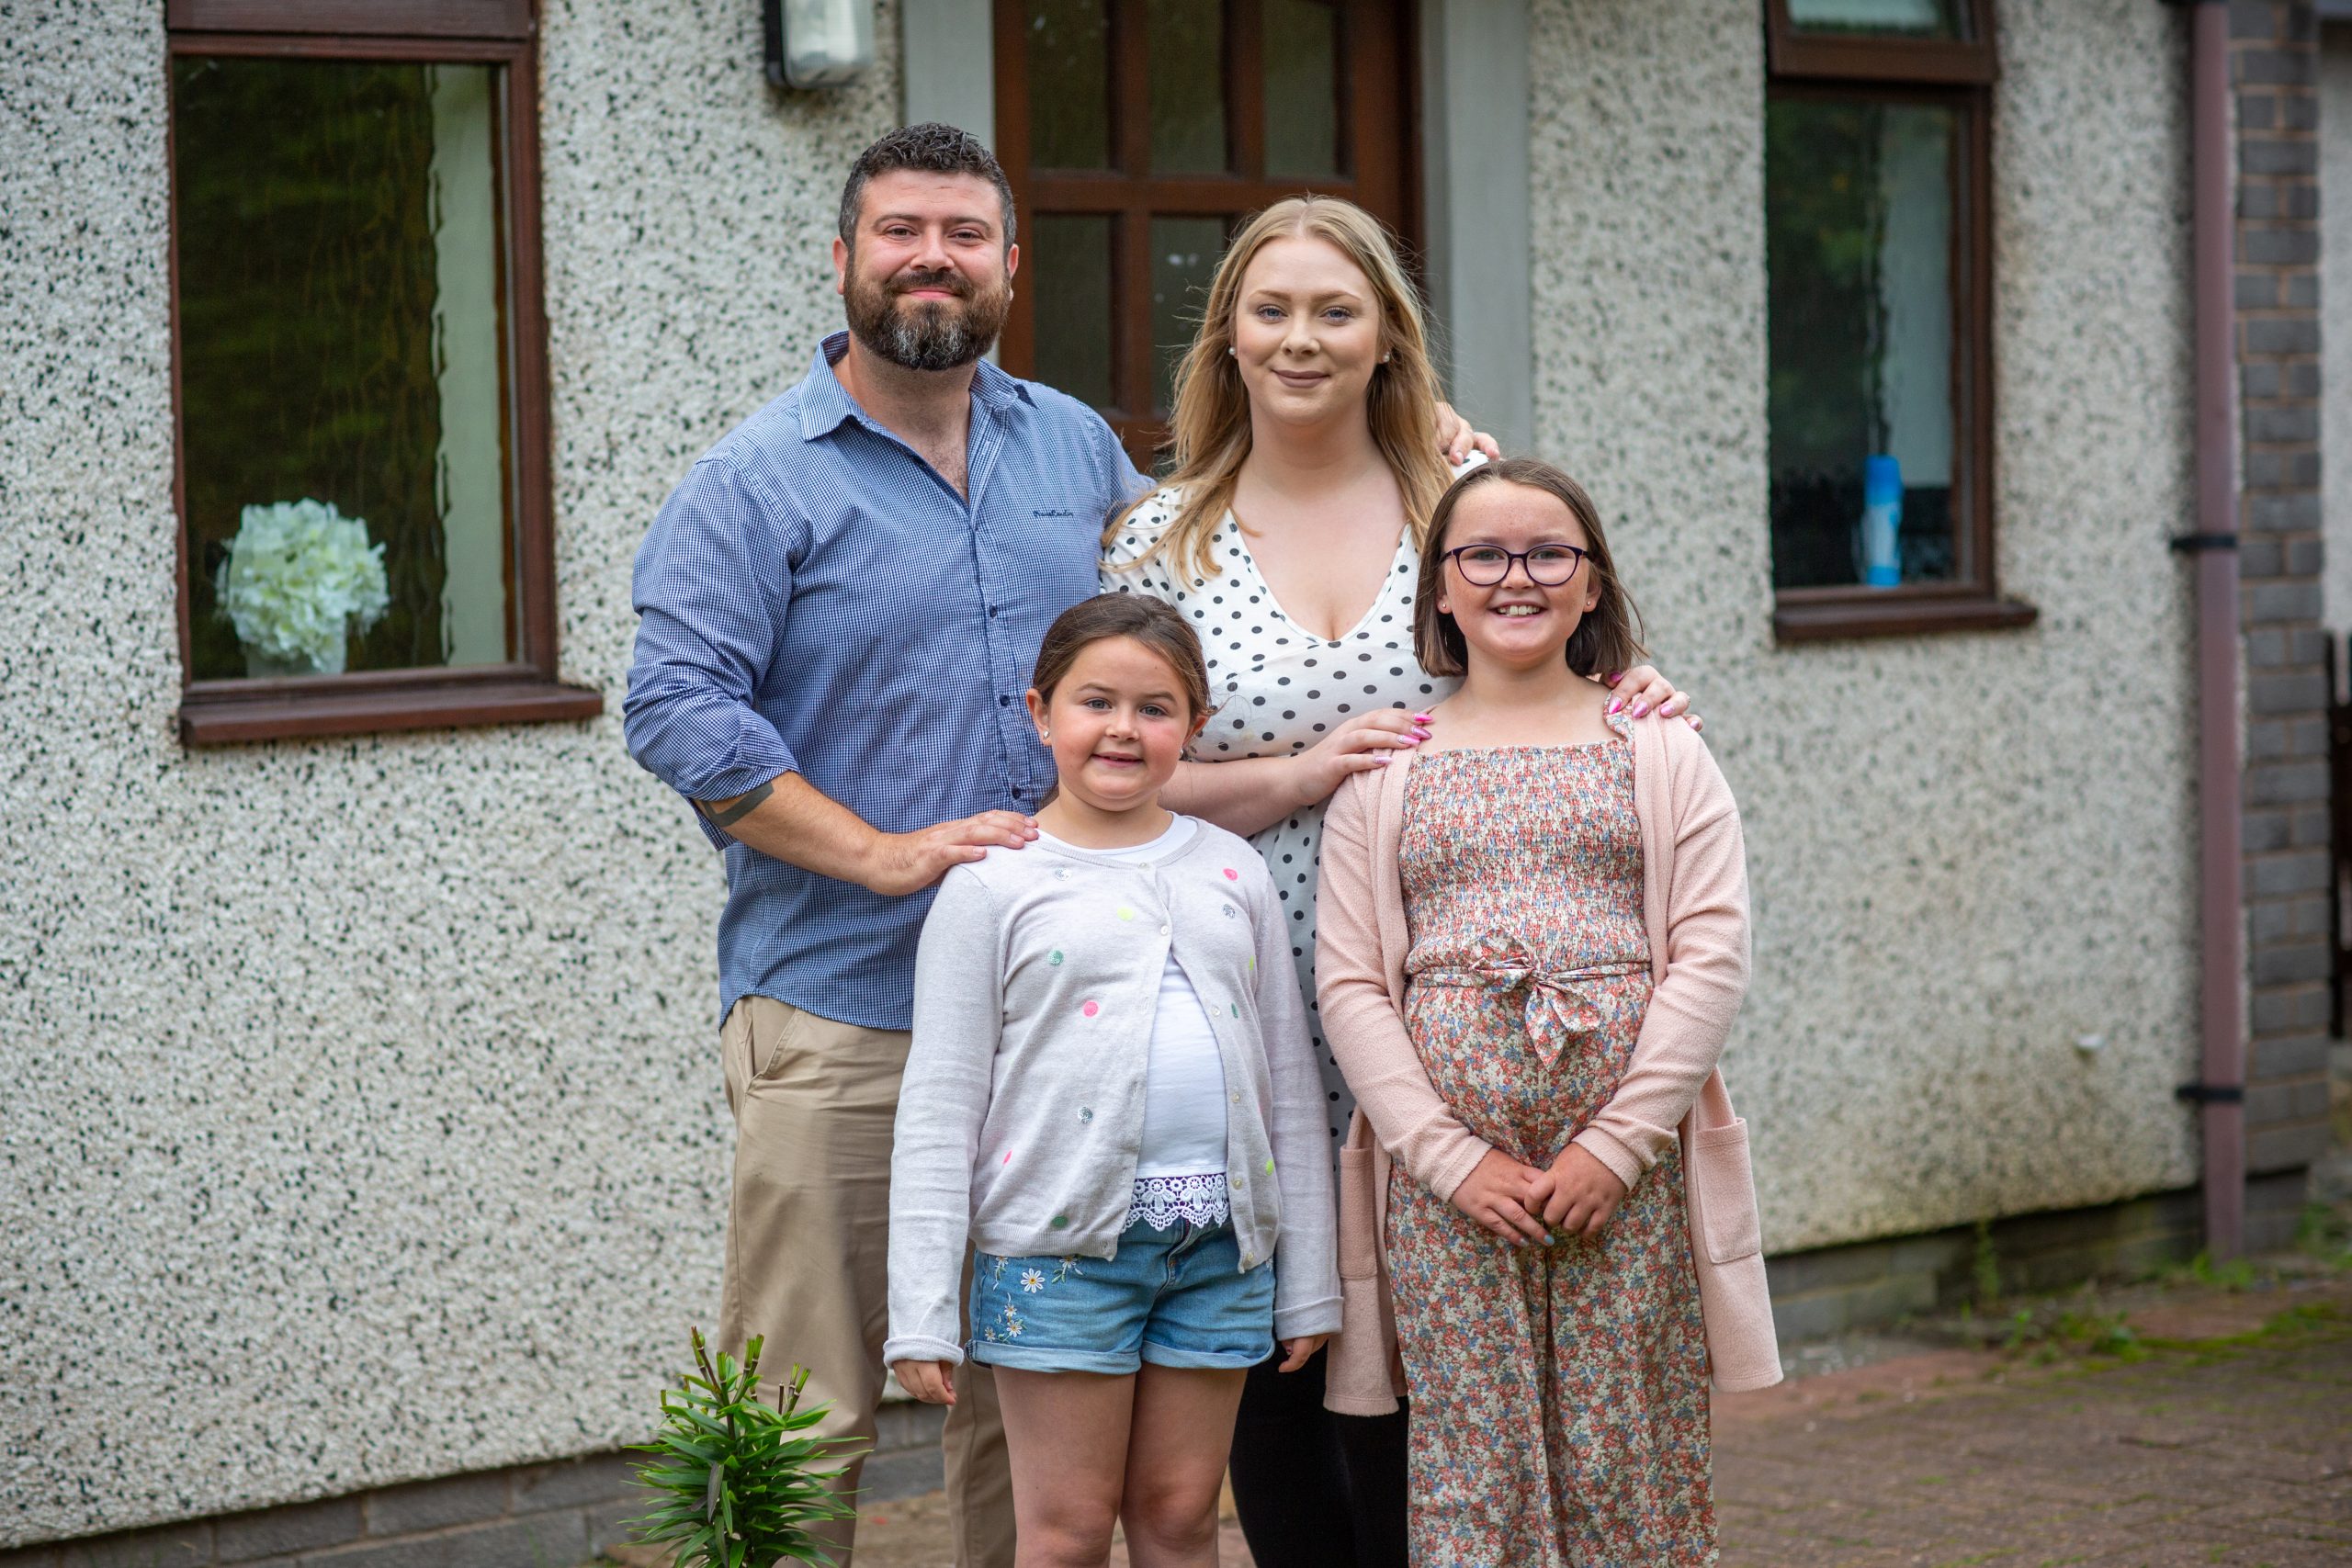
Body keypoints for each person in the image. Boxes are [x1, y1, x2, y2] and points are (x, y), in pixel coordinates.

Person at [624, 126, 1489, 1567]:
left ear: (1011, 268)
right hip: (849, 1004)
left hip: (1072, 1018)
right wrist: (882, 851)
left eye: (966, 234)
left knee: (1021, 1419)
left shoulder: (1075, 450)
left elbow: (1215, 554)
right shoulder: (755, 478)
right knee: (800, 1409)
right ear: (841, 260)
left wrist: (1444, 433)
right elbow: (673, 712)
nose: (932, 259)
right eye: (900, 231)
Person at [1099, 197, 1696, 1567]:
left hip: (1449, 1035)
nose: (1300, 338)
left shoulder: (1461, 505)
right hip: (1243, 1011)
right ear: (1228, 338)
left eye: (1335, 310)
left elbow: (1560, 660)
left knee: (1434, 1406)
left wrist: (1637, 690)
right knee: (1282, 1385)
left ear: (1387, 339)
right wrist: (1300, 775)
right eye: (1271, 310)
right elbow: (1116, 778)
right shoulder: (1155, 540)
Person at [1314, 457, 1781, 1566]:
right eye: (1481, 553)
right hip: (1448, 1198)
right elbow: (1351, 984)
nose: (1513, 578)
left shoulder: (1659, 747)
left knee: (1632, 1469)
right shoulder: (1389, 771)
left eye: (1547, 554)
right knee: (1476, 1479)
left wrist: (1616, 1147)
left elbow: (1710, 955)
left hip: (1625, 1184)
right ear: (1437, 587)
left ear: (1589, 584)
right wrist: (1447, 1159)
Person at [885, 593, 1340, 1568]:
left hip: (1219, 1251)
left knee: (1180, 1519)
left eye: (1155, 707)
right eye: (1096, 703)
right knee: (1066, 1530)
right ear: (1040, 711)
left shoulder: (1230, 870)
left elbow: (1288, 1088)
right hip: (1057, 1257)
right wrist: (922, 1305)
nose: (1123, 731)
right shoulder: (992, 883)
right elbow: (940, 1100)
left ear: (1196, 726)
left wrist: (1309, 1284)